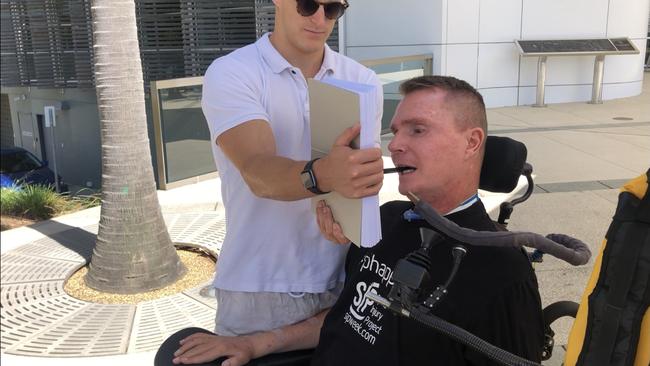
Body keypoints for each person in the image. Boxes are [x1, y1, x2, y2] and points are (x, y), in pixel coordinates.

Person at [156, 75, 543, 366]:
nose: (394, 145)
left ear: (472, 143)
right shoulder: (387, 221)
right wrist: (255, 344)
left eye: (418, 130)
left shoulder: (502, 271)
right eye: (395, 131)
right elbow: (350, 315)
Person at [200, 0, 384, 337]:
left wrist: (353, 219)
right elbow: (258, 172)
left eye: (332, 9)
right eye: (308, 4)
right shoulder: (233, 72)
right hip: (258, 286)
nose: (319, 18)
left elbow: (360, 177)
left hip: (343, 281)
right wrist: (327, 173)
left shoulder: (362, 80)